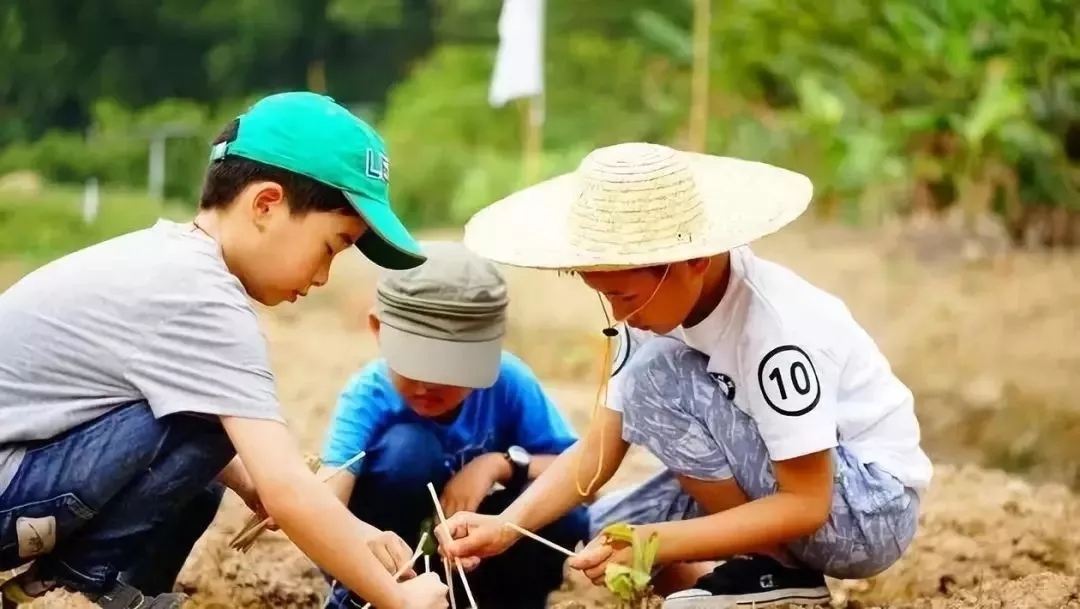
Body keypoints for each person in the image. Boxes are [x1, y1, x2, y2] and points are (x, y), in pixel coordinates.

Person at [0, 91, 449, 609]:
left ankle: (75, 586)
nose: (324, 276)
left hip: (20, 479)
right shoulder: (201, 298)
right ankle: (72, 587)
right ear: (265, 204)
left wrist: (346, 528)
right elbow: (285, 487)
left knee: (207, 469)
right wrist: (401, 600)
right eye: (331, 246)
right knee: (216, 427)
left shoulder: (168, 261)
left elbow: (258, 477)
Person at [434, 142, 933, 607]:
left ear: (692, 259)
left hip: (864, 511)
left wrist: (657, 542)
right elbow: (597, 453)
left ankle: (770, 569)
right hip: (788, 488)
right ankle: (758, 592)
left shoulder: (775, 330)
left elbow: (807, 504)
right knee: (613, 526)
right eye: (604, 295)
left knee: (652, 391)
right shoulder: (653, 317)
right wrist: (507, 525)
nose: (619, 315)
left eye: (625, 296)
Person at [318, 240, 590, 609]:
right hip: (393, 571)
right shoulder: (368, 396)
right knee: (408, 452)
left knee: (565, 513)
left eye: (448, 368)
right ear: (378, 329)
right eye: (414, 363)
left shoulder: (508, 382)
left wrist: (500, 464)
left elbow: (580, 474)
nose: (427, 385)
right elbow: (326, 501)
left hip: (480, 561)